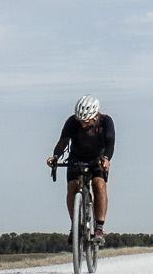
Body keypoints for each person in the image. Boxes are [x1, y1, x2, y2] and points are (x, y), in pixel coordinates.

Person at [47, 95, 115, 245]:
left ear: (95, 115)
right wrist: (55, 156)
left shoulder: (106, 122)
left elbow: (110, 143)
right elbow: (63, 141)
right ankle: (75, 225)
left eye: (86, 121)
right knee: (72, 187)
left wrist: (106, 159)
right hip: (76, 158)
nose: (83, 124)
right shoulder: (72, 122)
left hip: (98, 159)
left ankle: (99, 228)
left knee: (99, 185)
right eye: (80, 121)